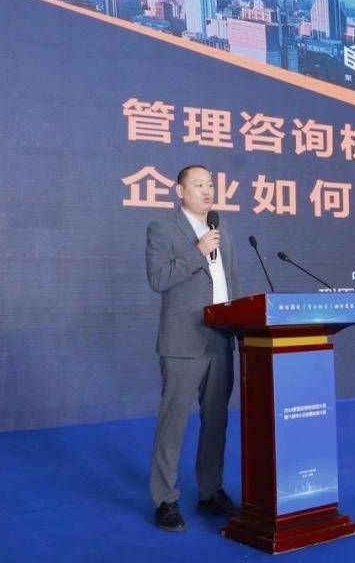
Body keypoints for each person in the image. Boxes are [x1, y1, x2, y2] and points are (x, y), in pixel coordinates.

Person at [145, 164, 242, 532]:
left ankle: (210, 491)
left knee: (216, 420)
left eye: (210, 184)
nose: (207, 191)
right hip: (182, 341)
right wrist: (197, 250)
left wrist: (240, 325)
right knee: (173, 423)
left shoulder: (221, 226)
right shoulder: (163, 228)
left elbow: (231, 281)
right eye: (198, 184)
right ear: (180, 191)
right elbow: (158, 278)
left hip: (220, 339)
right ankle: (165, 499)